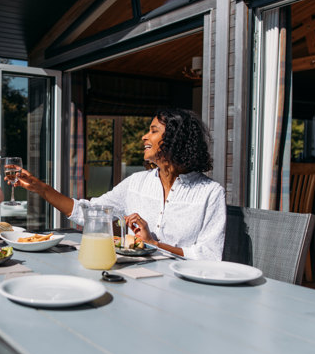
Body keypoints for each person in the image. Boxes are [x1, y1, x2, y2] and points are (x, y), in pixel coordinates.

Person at [13, 108, 226, 260]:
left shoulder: (209, 193)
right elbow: (89, 213)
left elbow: (209, 255)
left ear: (175, 138)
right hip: (136, 276)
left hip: (184, 286)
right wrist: (40, 188)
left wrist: (153, 244)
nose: (144, 136)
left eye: (153, 130)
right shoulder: (136, 183)